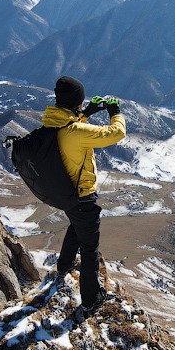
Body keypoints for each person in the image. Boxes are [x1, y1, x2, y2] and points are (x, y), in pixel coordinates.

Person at [42, 75, 126, 315]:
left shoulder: (52, 121)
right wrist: (115, 112)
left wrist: (86, 112)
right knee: (90, 248)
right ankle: (91, 298)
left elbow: (70, 126)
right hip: (81, 194)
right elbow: (116, 133)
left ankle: (64, 265)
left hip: (67, 193)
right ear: (76, 101)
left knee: (77, 225)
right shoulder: (75, 131)